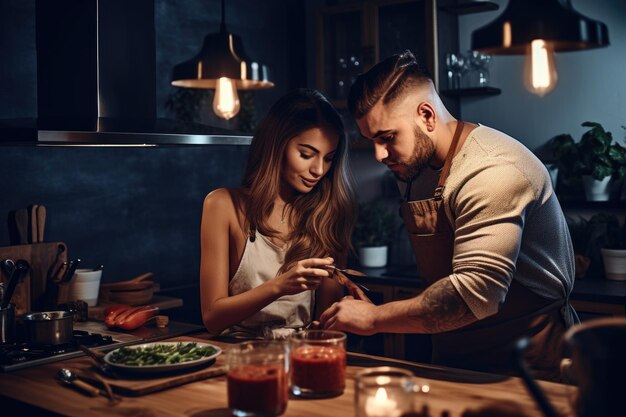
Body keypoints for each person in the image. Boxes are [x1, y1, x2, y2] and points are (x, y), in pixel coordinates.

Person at [320, 51, 577, 381]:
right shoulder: (413, 169)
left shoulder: (492, 171)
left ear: (427, 116)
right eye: (371, 141)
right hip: (450, 358)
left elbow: (476, 293)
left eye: (387, 138)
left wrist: (374, 317)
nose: (379, 154)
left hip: (528, 364)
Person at [200, 88, 357, 339]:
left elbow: (325, 324)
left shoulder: (328, 214)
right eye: (306, 154)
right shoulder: (223, 205)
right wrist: (280, 286)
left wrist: (334, 321)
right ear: (276, 146)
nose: (318, 170)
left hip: (302, 356)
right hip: (238, 356)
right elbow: (212, 318)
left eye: (329, 158)